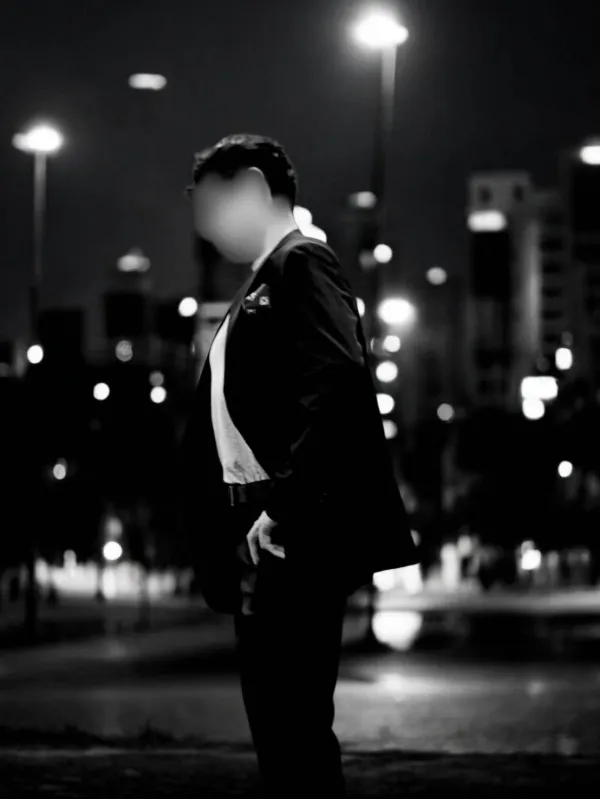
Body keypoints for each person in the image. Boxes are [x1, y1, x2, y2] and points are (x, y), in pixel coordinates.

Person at [178, 133, 419, 798]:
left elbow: (335, 379)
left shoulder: (302, 261)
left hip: (289, 533)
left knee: (293, 728)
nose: (206, 225)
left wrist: (282, 506)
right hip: (266, 534)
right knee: (281, 727)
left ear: (257, 188)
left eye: (214, 204)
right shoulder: (267, 277)